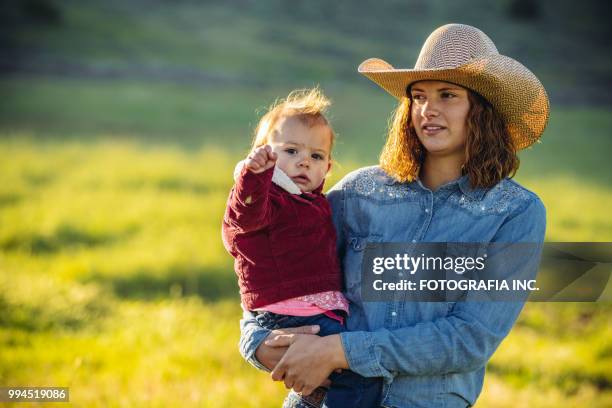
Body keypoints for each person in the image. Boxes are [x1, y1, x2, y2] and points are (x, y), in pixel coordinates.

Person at [238, 23, 550, 408]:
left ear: (482, 110)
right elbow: (278, 264)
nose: (428, 110)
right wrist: (254, 340)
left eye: (447, 95)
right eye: (418, 96)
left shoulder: (516, 213)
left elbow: (470, 338)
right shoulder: (358, 193)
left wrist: (342, 351)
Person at [222, 88, 382, 407]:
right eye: (291, 151)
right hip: (287, 313)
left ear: (328, 168)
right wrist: (254, 175)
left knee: (318, 384)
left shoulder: (312, 201)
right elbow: (245, 216)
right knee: (360, 372)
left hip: (310, 310)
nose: (304, 162)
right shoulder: (267, 197)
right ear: (264, 154)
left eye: (316, 156)